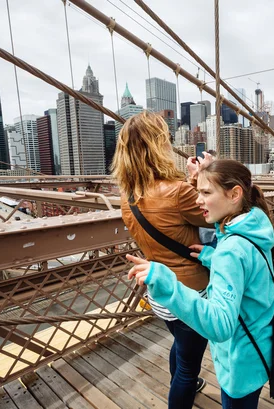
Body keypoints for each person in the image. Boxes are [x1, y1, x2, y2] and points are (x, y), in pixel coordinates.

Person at [127, 159, 274, 409]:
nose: (198, 200)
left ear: (235, 195)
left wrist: (166, 281)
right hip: (259, 346)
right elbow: (247, 267)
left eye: (206, 192)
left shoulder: (230, 251)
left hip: (238, 362)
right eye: (198, 191)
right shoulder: (254, 225)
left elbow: (220, 326)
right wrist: (212, 256)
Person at [112, 111, 212, 408]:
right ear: (158, 146)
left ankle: (183, 386)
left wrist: (191, 180)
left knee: (181, 349)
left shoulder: (128, 198)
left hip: (160, 292)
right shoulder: (178, 192)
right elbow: (216, 215)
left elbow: (172, 218)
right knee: (187, 369)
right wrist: (204, 176)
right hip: (190, 293)